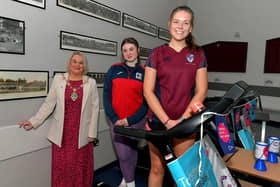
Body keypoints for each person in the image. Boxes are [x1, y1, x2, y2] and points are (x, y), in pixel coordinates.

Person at [143, 5, 208, 187]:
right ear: (169, 24)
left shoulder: (198, 54)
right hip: (157, 121)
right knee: (157, 169)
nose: (180, 26)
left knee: (180, 171)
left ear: (191, 28)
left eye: (185, 23)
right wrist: (167, 121)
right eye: (176, 21)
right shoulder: (156, 53)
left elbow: (201, 91)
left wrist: (181, 119)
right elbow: (147, 91)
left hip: (186, 122)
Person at [18, 51, 100, 187]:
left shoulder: (91, 83)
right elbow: (49, 103)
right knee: (62, 168)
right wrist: (33, 121)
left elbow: (94, 109)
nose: (77, 65)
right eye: (74, 61)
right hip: (62, 134)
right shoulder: (58, 79)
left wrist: (92, 134)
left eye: (81, 63)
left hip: (82, 135)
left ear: (84, 66)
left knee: (79, 168)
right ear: (69, 63)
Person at [103, 37, 147, 187]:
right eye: (125, 50)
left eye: (131, 49)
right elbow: (106, 96)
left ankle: (127, 178)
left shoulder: (145, 72)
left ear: (138, 51)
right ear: (122, 53)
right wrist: (114, 118)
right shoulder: (114, 69)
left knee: (131, 150)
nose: (128, 53)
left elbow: (147, 102)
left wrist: (131, 120)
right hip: (116, 119)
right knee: (122, 153)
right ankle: (130, 181)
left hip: (136, 120)